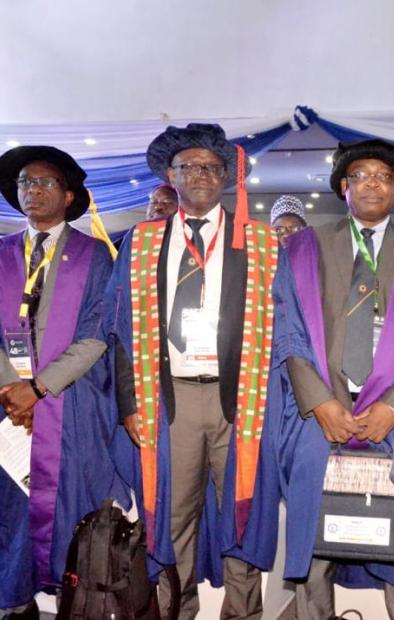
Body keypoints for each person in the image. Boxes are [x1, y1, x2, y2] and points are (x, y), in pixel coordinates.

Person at [245, 139, 394, 619]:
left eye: (384, 177)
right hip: (319, 412)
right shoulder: (304, 248)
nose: (373, 184)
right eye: (361, 176)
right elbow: (287, 330)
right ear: (343, 187)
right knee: (313, 527)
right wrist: (320, 402)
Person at [106, 123, 277, 619]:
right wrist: (129, 403)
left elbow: (285, 322)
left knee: (243, 512)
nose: (200, 174)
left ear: (226, 176)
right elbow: (120, 326)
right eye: (189, 166)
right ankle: (176, 611)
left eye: (211, 167)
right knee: (172, 516)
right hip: (169, 399)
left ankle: (243, 613)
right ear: (170, 176)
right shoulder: (142, 242)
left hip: (241, 400)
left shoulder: (260, 241)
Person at [0, 146, 132, 619]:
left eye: (44, 182)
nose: (32, 190)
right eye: (25, 183)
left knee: (70, 504)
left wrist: (38, 388)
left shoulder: (95, 256)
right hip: (6, 411)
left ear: (68, 194)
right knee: (11, 506)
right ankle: (14, 600)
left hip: (71, 404)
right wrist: (11, 389)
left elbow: (97, 333)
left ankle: (72, 597)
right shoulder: (2, 253)